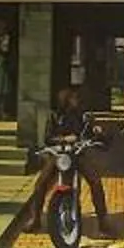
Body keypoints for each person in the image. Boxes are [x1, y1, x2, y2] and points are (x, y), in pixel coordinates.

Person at [46, 84, 106, 234]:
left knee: (95, 181)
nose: (76, 100)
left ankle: (103, 220)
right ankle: (34, 219)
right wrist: (64, 139)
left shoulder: (80, 115)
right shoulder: (53, 115)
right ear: (65, 100)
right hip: (60, 155)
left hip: (77, 154)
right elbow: (47, 138)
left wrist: (96, 131)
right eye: (72, 98)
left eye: (76, 98)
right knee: (41, 184)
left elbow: (88, 131)